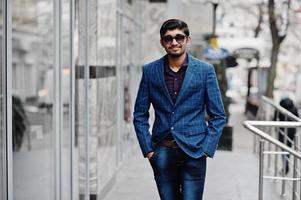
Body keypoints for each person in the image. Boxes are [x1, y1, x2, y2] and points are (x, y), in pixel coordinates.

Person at [133, 19, 226, 200]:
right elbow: (139, 114)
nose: (174, 42)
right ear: (162, 42)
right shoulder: (150, 71)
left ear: (187, 40)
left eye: (179, 37)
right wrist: (149, 150)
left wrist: (207, 148)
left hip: (195, 152)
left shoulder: (205, 70)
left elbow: (218, 115)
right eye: (168, 38)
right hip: (163, 151)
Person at [275, 97, 299, 174]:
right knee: (288, 149)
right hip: (291, 132)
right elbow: (297, 119)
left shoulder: (279, 109)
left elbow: (275, 120)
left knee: (283, 149)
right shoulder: (294, 109)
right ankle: (286, 165)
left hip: (282, 131)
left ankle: (285, 166)